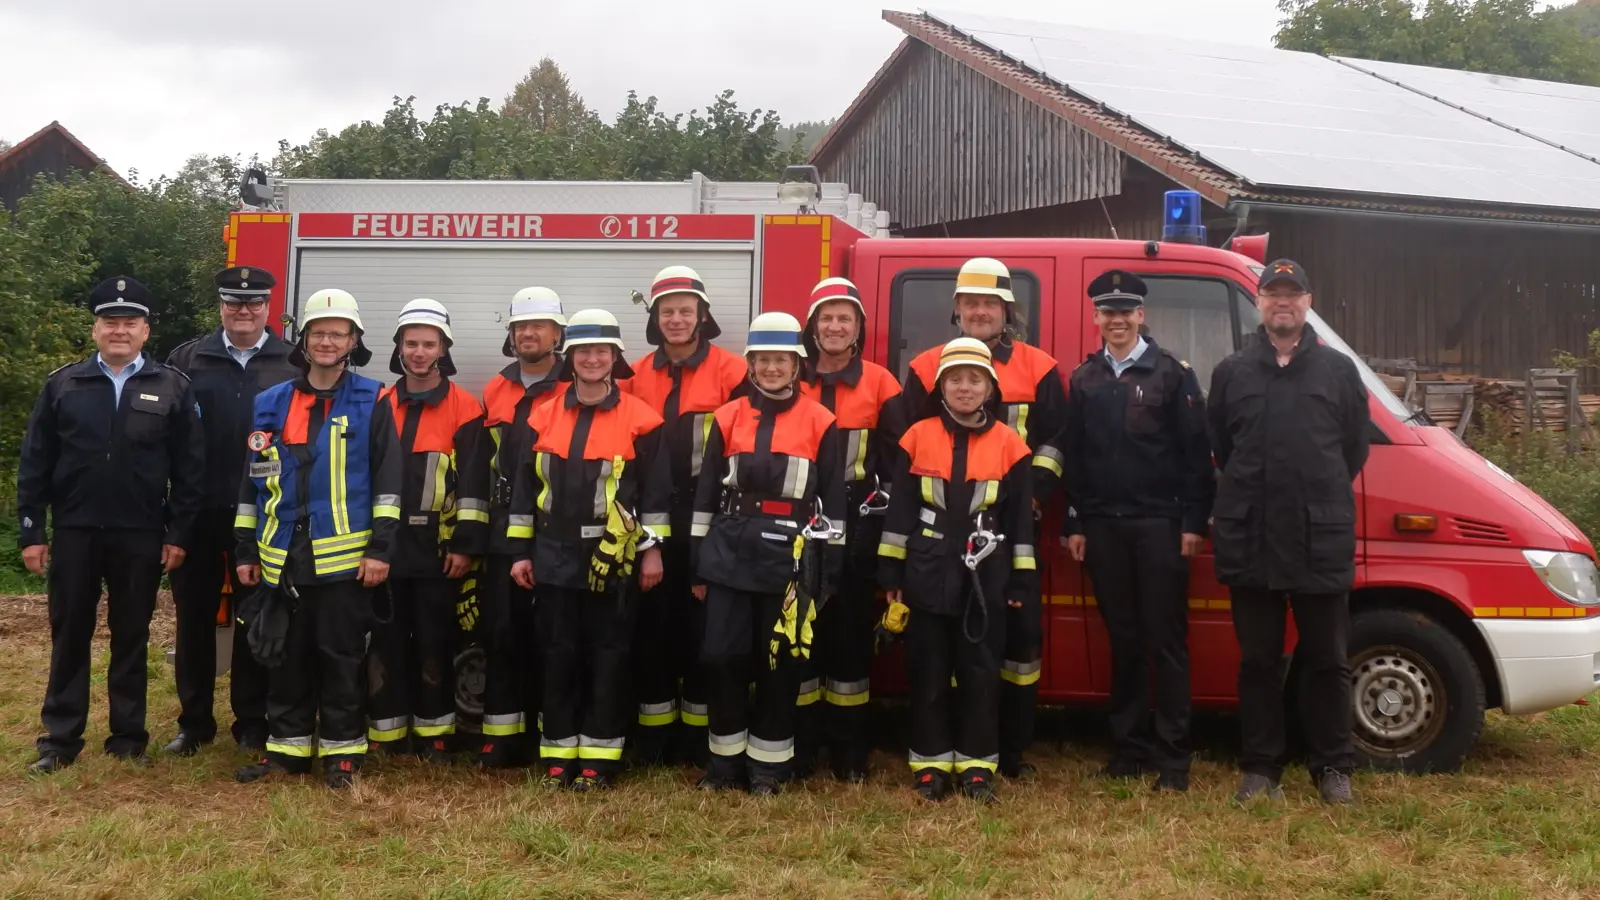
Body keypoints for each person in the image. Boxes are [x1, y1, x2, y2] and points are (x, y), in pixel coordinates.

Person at [18, 276, 204, 772]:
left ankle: (127, 737)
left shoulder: (172, 386)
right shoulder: (63, 384)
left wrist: (179, 533)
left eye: (130, 323)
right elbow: (35, 463)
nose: (119, 331)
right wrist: (33, 532)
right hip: (76, 530)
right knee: (70, 632)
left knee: (131, 635)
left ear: (146, 331)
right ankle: (59, 740)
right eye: (110, 322)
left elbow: (190, 471)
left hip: (140, 533)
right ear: (96, 329)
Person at [1042, 270, 1214, 792]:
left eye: (1126, 312)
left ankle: (1173, 758)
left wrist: (1192, 522)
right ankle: (1130, 748)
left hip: (1160, 527)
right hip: (1103, 529)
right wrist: (1074, 520)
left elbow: (1195, 456)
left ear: (1142, 315)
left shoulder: (1172, 374)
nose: (1116, 321)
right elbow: (1075, 457)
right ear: (1095, 318)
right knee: (1124, 639)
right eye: (1107, 312)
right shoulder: (1085, 378)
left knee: (1166, 640)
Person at [1207, 259, 1370, 806]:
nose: (1283, 302)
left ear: (1307, 302)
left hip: (1317, 537)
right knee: (1258, 662)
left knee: (1327, 660)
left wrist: (1312, 494)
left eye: (1292, 294)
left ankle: (1333, 766)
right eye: (1273, 293)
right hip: (1251, 537)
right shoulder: (1232, 372)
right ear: (1259, 302)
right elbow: (1222, 450)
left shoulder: (1339, 373)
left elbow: (1353, 450)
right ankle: (1260, 769)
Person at [900, 257, 1065, 778]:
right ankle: (941, 749)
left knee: (1013, 644)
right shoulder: (927, 366)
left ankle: (1006, 750)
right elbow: (909, 445)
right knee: (942, 646)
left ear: (1006, 310)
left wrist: (1032, 492)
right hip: (938, 538)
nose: (979, 311)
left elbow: (1057, 439)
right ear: (956, 309)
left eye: (990, 303)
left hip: (1011, 525)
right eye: (970, 302)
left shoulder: (1040, 366)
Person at [233, 288, 402, 789]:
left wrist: (380, 551)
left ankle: (343, 752)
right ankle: (287, 751)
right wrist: (245, 548)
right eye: (318, 333)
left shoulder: (373, 401)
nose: (327, 341)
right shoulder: (271, 403)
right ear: (303, 340)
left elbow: (390, 484)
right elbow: (253, 483)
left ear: (353, 341)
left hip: (345, 562)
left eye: (337, 333)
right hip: (282, 555)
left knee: (341, 655)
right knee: (285, 654)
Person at [508, 309, 669, 791]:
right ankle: (559, 754)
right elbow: (523, 489)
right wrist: (520, 552)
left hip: (613, 558)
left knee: (608, 655)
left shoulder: (642, 418)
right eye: (584, 351)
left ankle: (600, 758)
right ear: (569, 358)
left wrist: (652, 552)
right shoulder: (543, 413)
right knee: (558, 654)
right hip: (553, 554)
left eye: (602, 351)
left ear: (615, 358)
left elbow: (655, 496)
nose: (593, 358)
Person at [691, 312, 844, 795]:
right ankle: (724, 766)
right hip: (730, 549)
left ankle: (769, 769)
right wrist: (698, 564)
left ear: (797, 364)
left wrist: (827, 575)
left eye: (781, 359)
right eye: (763, 359)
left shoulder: (822, 420)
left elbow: (835, 502)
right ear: (751, 364)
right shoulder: (728, 416)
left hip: (791, 555)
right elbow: (705, 496)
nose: (772, 367)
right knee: (721, 657)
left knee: (779, 663)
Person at [877, 338, 1035, 804]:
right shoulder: (916, 436)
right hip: (926, 570)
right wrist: (891, 575)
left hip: (985, 577)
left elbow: (1020, 522)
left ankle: (977, 766)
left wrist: (1021, 580)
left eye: (975, 379)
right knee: (927, 671)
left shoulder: (1012, 444)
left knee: (980, 673)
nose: (965, 387)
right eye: (955, 379)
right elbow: (900, 514)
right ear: (941, 386)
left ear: (990, 388)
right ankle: (929, 767)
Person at [162, 265, 299, 758]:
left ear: (268, 307)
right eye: (234, 302)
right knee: (194, 619)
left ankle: (252, 721)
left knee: (256, 616)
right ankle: (194, 723)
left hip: (264, 515)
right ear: (220, 306)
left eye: (254, 303)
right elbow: (165, 441)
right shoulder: (186, 359)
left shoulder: (292, 361)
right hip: (198, 513)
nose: (244, 311)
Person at [620, 266, 747, 768]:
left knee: (703, 626)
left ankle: (697, 736)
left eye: (685, 311)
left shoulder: (733, 372)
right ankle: (654, 736)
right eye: (666, 311)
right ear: (655, 319)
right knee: (652, 625)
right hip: (651, 513)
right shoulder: (633, 374)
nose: (676, 319)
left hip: (709, 511)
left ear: (702, 316)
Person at [366, 299, 490, 763]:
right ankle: (386, 732)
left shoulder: (465, 406)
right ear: (398, 347)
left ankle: (435, 735)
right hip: (384, 546)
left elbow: (474, 483)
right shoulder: (380, 403)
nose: (419, 352)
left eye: (428, 344)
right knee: (385, 641)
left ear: (443, 348)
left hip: (438, 548)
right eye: (410, 343)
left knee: (435, 640)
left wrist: (465, 545)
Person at [795, 277, 905, 782]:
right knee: (800, 630)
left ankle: (849, 753)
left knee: (849, 637)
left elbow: (899, 459)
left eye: (845, 318)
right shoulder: (790, 376)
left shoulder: (881, 382)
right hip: (799, 519)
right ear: (812, 326)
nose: (834, 326)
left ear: (858, 327)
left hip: (860, 520)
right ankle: (799, 744)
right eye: (826, 317)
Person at [477, 286, 567, 767]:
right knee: (502, 631)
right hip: (502, 531)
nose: (529, 333)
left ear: (558, 333)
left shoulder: (578, 384)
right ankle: (502, 735)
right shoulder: (497, 388)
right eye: (521, 326)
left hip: (557, 531)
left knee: (552, 635)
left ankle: (552, 729)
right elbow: (486, 464)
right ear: (511, 334)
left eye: (539, 326)